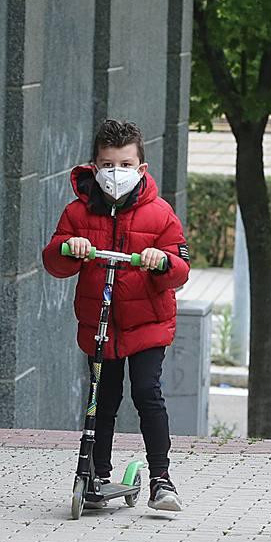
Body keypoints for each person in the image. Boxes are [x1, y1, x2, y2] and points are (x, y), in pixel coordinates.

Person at [42, 119, 191, 511]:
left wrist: (162, 262)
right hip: (100, 324)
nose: (116, 173)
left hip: (148, 325)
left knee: (146, 392)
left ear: (141, 169)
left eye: (125, 165)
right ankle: (97, 471)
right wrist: (68, 247)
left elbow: (181, 268)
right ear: (94, 166)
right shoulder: (78, 212)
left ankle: (162, 476)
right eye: (108, 164)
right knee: (101, 398)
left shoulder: (159, 214)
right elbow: (54, 260)